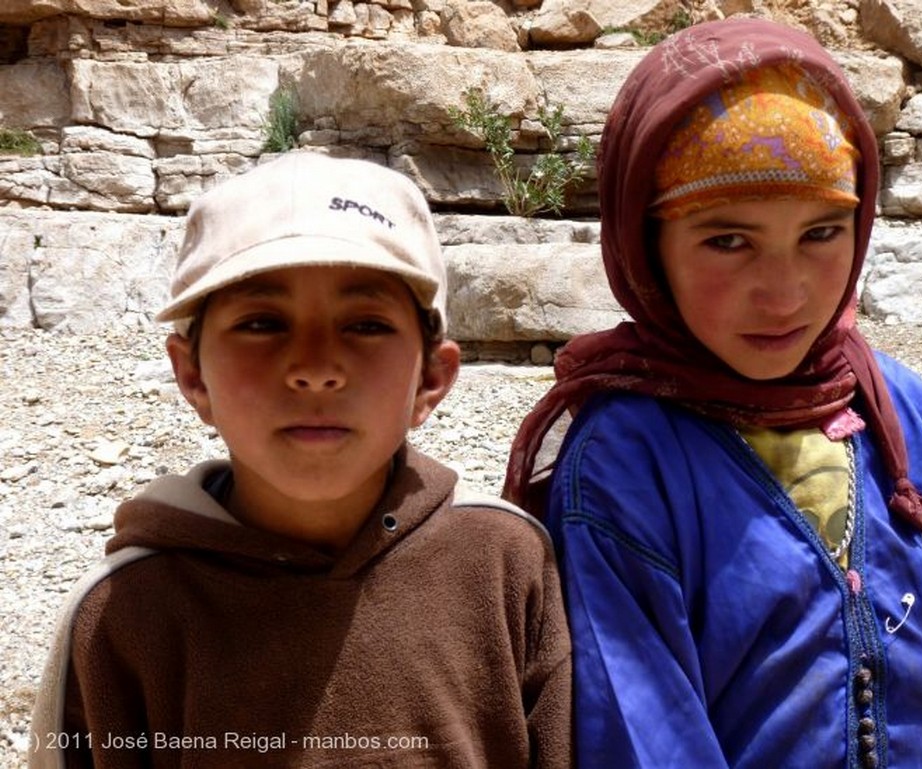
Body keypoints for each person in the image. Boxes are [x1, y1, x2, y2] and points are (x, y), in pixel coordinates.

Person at [504, 17, 922, 768]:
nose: (784, 295)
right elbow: (646, 740)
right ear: (649, 247)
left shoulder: (914, 423)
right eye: (727, 241)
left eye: (821, 233)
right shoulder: (625, 464)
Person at [30, 151, 571, 769]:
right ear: (192, 376)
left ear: (432, 379)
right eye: (262, 323)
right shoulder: (123, 612)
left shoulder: (504, 560)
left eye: (365, 325)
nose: (315, 369)